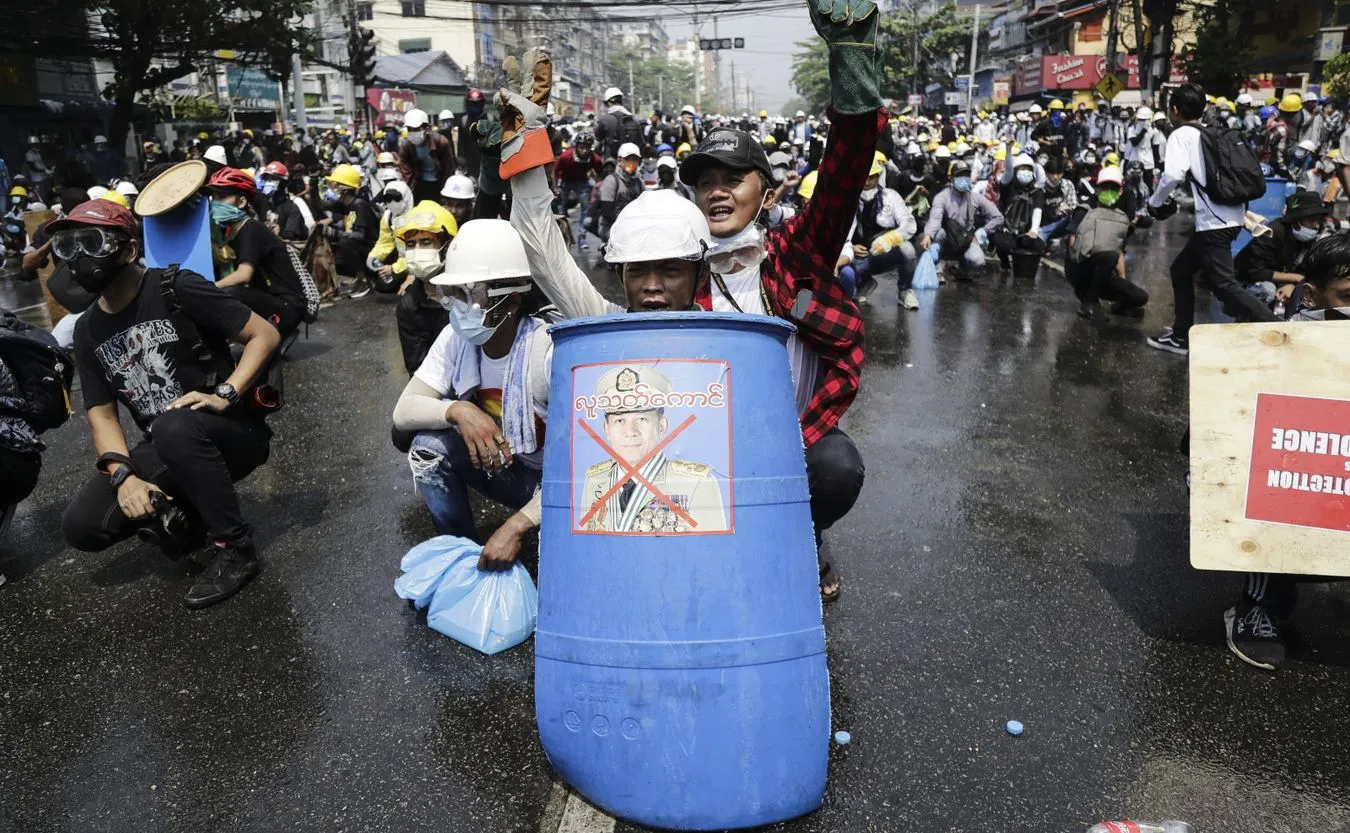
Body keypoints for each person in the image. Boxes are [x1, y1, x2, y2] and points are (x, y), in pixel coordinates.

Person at [503, 0, 878, 598]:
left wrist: (852, 65)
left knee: (837, 469)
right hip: (698, 451)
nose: (718, 192)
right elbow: (549, 261)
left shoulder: (796, 255)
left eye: (733, 178)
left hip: (792, 443)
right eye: (706, 181)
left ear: (768, 191)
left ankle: (807, 533)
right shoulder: (675, 281)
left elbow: (843, 174)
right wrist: (524, 146)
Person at [54, 199, 280, 609]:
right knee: (82, 525)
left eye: (92, 241)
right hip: (167, 441)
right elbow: (102, 414)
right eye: (67, 246)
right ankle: (190, 516)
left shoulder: (176, 287)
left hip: (231, 431)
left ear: (129, 249)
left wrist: (226, 393)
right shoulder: (87, 330)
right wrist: (124, 476)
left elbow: (263, 335)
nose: (79, 256)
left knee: (173, 426)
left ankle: (236, 547)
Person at [392, 218, 555, 571]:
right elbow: (403, 412)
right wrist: (459, 410)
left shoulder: (547, 352)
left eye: (466, 293)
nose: (454, 305)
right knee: (427, 447)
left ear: (510, 301)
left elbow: (584, 468)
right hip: (507, 467)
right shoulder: (457, 339)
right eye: (451, 293)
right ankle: (461, 556)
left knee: (559, 562)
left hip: (553, 484)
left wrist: (516, 525)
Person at [1223, 233, 1350, 671]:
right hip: (1287, 475)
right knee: (1277, 488)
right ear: (1311, 294)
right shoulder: (1273, 350)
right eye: (1347, 296)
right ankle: (1260, 606)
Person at [1145, 82, 1278, 356]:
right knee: (1180, 271)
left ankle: (1280, 328)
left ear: (1175, 109)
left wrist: (1155, 202)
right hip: (1231, 217)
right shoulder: (1211, 132)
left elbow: (1172, 175)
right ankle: (1181, 335)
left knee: (1225, 285)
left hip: (1214, 225)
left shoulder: (1182, 135)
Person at [577, 364, 728, 533]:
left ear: (661, 426)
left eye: (642, 419)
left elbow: (713, 548)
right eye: (620, 421)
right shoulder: (594, 481)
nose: (630, 432)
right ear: (607, 430)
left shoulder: (698, 483)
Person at [207, 168, 309, 339]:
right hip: (272, 302)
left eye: (222, 197)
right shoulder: (234, 232)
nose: (215, 203)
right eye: (214, 197)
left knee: (228, 293)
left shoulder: (251, 229)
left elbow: (244, 275)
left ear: (241, 202)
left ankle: (268, 338)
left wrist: (209, 287)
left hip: (286, 307)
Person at [1066, 165, 1149, 321]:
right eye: (1105, 187)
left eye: (1114, 188)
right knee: (1109, 257)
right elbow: (1072, 243)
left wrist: (1122, 281)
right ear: (1097, 189)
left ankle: (1118, 306)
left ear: (1120, 191)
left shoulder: (1120, 218)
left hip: (1103, 273)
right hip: (1080, 269)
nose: (1109, 191)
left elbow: (1119, 252)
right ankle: (1088, 302)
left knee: (1140, 297)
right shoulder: (1085, 210)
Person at [1234, 189, 1329, 312]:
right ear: (1296, 221)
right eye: (1312, 220)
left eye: (1318, 220)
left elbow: (1310, 270)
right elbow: (1255, 271)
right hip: (1246, 282)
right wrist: (1296, 278)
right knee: (1267, 290)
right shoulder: (1272, 234)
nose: (1316, 225)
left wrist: (1293, 286)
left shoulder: (1311, 239)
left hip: (1282, 281)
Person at [392, 201, 457, 376]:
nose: (416, 250)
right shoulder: (408, 307)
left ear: (447, 246)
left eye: (426, 242)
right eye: (411, 244)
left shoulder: (473, 290)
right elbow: (418, 369)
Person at [850, 155, 918, 308]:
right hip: (858, 256)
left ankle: (905, 291)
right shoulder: (849, 199)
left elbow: (909, 224)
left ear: (878, 177)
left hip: (884, 253)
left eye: (871, 177)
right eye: (864, 178)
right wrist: (850, 247)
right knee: (842, 268)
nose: (867, 182)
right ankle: (864, 282)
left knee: (908, 250)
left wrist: (890, 239)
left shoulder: (890, 197)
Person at [919, 160, 1005, 275]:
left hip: (966, 239)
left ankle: (961, 269)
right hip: (946, 238)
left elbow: (998, 217)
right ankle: (939, 265)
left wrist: (983, 232)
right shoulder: (942, 197)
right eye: (959, 175)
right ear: (952, 178)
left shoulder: (975, 198)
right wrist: (928, 235)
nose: (963, 179)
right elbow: (935, 218)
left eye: (966, 175)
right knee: (937, 235)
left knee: (978, 260)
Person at [324, 163, 379, 298]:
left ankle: (365, 281)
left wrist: (336, 233)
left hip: (372, 249)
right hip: (362, 247)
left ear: (344, 189)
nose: (332, 188)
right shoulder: (345, 205)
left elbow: (361, 235)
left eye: (336, 185)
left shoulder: (360, 206)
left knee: (346, 242)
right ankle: (358, 279)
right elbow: (322, 204)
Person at [554, 133, 603, 248]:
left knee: (586, 208)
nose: (584, 151)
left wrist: (599, 188)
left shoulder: (595, 159)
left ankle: (582, 238)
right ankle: (561, 237)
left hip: (582, 182)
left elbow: (600, 174)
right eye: (582, 147)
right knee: (561, 209)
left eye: (587, 148)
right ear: (576, 147)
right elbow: (555, 171)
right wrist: (555, 188)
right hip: (565, 181)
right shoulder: (566, 156)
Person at [398, 108, 456, 203]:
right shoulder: (406, 147)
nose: (412, 133)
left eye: (416, 129)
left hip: (439, 184)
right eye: (409, 129)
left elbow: (448, 170)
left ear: (427, 129)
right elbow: (407, 174)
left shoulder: (441, 142)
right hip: (419, 184)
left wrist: (448, 193)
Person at [597, 143, 643, 241]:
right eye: (627, 159)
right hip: (612, 226)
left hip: (635, 226)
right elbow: (607, 212)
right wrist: (626, 226)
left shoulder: (639, 182)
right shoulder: (611, 180)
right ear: (619, 160)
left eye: (634, 159)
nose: (631, 162)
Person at [595, 87, 639, 160]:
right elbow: (641, 142)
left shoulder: (605, 119)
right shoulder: (634, 119)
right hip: (630, 161)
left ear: (608, 103)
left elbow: (598, 138)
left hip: (610, 161)